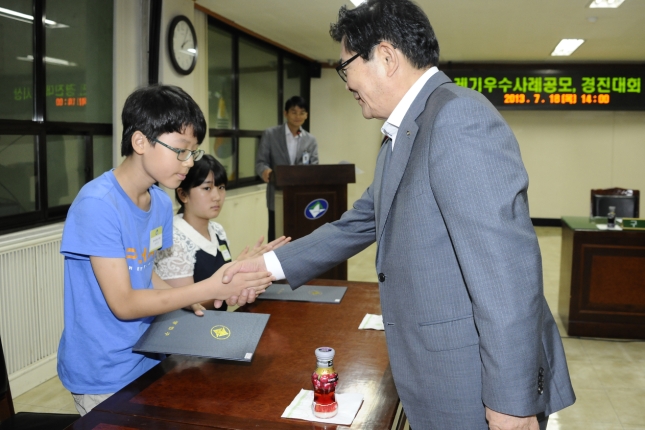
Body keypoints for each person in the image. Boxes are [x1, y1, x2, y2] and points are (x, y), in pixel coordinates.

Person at [223, 1, 576, 429]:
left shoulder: (457, 118)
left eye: (345, 67)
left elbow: (508, 277)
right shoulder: (404, 132)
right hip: (434, 374)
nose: (346, 82)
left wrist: (512, 405)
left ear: (387, 57)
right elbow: (360, 221)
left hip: (473, 386)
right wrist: (265, 266)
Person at [57, 85, 273, 416]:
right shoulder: (98, 205)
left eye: (193, 152)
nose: (189, 163)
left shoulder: (158, 202)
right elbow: (125, 303)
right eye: (181, 150)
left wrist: (192, 302)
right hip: (104, 372)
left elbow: (146, 272)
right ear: (140, 141)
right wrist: (209, 287)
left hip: (150, 355)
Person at [154, 154, 290, 315]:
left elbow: (223, 282)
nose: (217, 197)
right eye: (207, 188)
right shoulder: (174, 239)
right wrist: (234, 283)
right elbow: (184, 306)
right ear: (183, 195)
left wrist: (239, 268)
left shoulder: (217, 229)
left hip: (219, 323)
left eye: (221, 187)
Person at [255, 96, 319, 241]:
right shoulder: (270, 134)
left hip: (301, 196)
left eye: (302, 113)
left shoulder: (310, 140)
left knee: (299, 234)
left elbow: (314, 167)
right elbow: (260, 162)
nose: (298, 116)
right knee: (276, 236)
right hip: (276, 195)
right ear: (286, 113)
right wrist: (266, 172)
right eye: (294, 112)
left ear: (306, 115)